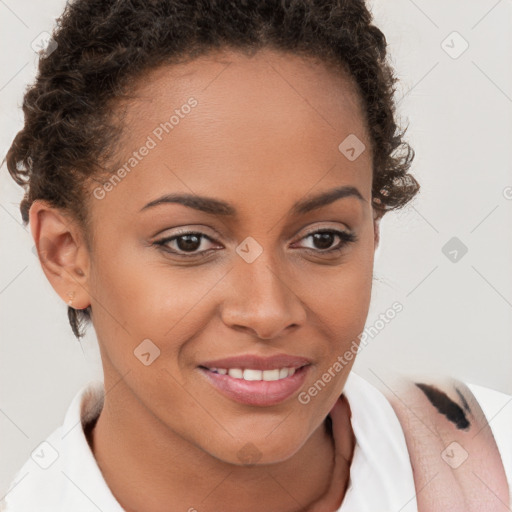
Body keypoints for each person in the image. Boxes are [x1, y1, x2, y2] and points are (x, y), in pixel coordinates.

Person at [2, 0, 510, 511]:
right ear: (66, 254)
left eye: (323, 238)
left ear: (372, 233)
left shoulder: (491, 465)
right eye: (189, 242)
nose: (267, 312)